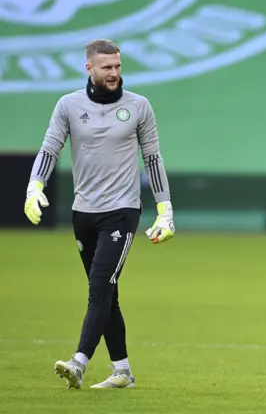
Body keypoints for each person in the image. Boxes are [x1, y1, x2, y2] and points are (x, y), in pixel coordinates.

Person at [23, 39, 175, 390]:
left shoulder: (139, 106)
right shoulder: (68, 106)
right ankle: (122, 371)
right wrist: (35, 187)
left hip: (122, 211)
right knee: (108, 293)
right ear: (89, 68)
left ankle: (79, 362)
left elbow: (153, 159)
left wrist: (164, 210)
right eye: (107, 68)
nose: (114, 73)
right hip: (84, 213)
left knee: (99, 287)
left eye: (118, 66)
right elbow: (50, 149)